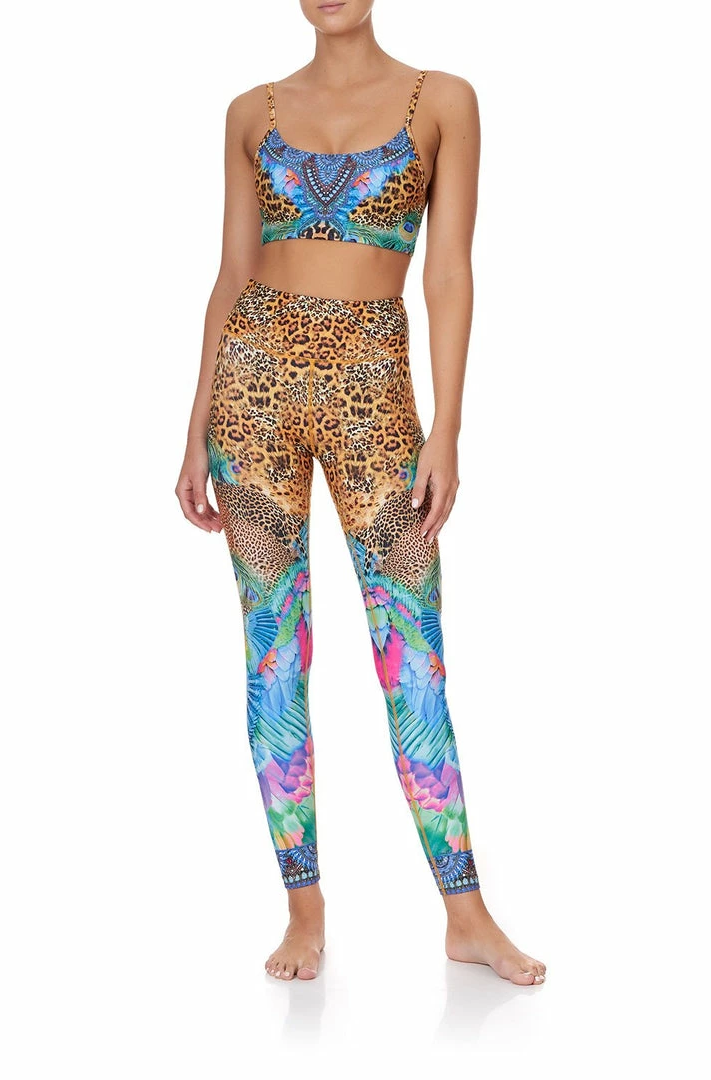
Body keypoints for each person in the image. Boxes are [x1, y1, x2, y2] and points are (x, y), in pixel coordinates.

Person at [176, 0, 545, 987]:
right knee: (274, 655)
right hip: (252, 388)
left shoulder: (443, 100)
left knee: (413, 654)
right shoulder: (250, 110)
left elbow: (450, 273)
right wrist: (194, 426)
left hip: (375, 392)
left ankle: (466, 914)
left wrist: (448, 427)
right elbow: (231, 273)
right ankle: (304, 910)